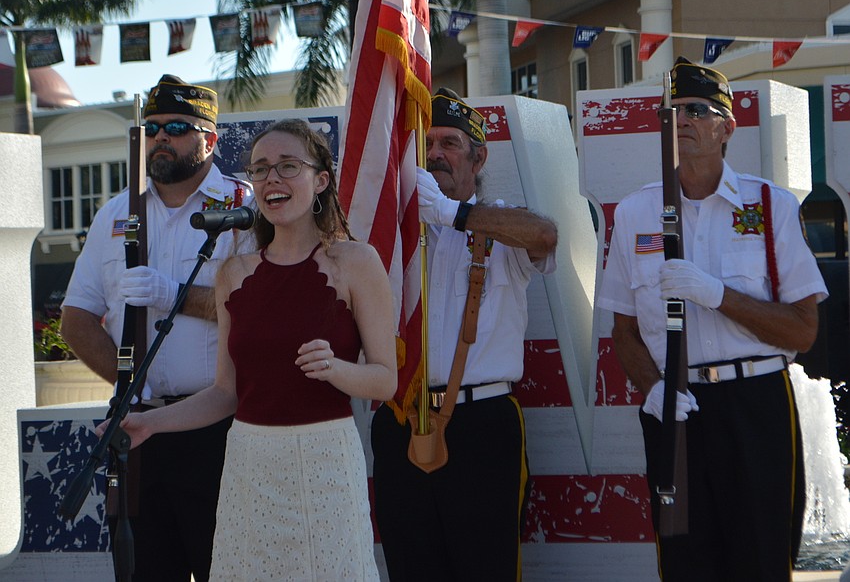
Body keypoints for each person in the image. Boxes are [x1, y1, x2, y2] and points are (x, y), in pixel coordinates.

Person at [101, 118, 397, 581]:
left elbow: (386, 378)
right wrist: (148, 424)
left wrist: (337, 369)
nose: (272, 179)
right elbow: (226, 393)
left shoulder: (356, 262)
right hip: (248, 465)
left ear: (321, 180)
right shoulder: (233, 273)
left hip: (324, 462)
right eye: (260, 170)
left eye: (287, 166)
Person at [597, 57, 828, 581]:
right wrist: (652, 388)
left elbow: (803, 330)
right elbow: (624, 331)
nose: (682, 119)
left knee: (762, 561)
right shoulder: (635, 213)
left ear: (728, 127)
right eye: (672, 110)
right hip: (676, 409)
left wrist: (718, 295)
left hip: (755, 406)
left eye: (697, 110)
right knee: (684, 565)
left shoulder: (769, 207)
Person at [61, 75, 252, 582]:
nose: (160, 138)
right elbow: (77, 320)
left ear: (209, 139)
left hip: (221, 427)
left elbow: (261, 311)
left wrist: (176, 295)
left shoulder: (244, 208)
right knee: (144, 568)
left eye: (176, 128)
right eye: (152, 128)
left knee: (227, 569)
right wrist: (131, 384)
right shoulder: (116, 213)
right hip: (137, 427)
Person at [371, 87, 558, 582]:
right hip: (401, 418)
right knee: (411, 567)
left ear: (479, 157)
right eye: (426, 145)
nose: (434, 156)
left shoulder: (499, 221)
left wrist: (454, 216)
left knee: (488, 567)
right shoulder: (391, 236)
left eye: (449, 143)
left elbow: (545, 237)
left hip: (482, 424)